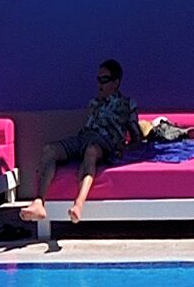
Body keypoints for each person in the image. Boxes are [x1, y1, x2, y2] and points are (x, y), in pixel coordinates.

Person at [20, 59, 141, 226]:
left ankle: (78, 204)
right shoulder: (95, 103)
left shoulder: (127, 104)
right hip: (84, 136)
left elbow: (136, 137)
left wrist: (124, 148)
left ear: (116, 82)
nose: (100, 84)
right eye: (98, 79)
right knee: (50, 150)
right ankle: (39, 202)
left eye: (104, 80)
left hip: (105, 141)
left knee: (91, 152)